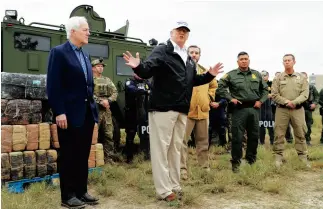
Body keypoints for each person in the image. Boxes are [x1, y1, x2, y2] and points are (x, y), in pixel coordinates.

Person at [123, 21, 223, 201]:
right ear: (172, 33)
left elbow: (193, 80)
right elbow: (147, 70)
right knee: (161, 149)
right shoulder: (163, 50)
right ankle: (164, 190)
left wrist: (210, 75)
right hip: (163, 108)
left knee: (175, 148)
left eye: (185, 31)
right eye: (179, 31)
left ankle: (175, 185)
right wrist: (138, 66)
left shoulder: (187, 57)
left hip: (181, 110)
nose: (182, 34)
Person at [46, 16, 99, 208]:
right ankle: (67, 196)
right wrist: (59, 111)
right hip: (67, 115)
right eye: (85, 29)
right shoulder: (59, 53)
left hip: (86, 114)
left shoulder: (84, 55)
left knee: (82, 154)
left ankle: (81, 191)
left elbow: (88, 86)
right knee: (69, 154)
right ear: (73, 31)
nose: (88, 33)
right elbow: (53, 85)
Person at [217, 51, 268, 173]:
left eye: (246, 59)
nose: (244, 61)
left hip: (254, 109)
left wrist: (261, 101)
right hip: (238, 110)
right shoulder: (231, 75)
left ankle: (251, 161)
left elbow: (265, 89)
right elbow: (220, 87)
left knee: (254, 136)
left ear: (249, 60)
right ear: (237, 61)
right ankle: (236, 164)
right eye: (241, 59)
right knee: (237, 138)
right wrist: (230, 98)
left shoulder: (257, 75)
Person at [180, 45, 217, 180]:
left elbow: (213, 85)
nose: (194, 55)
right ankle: (182, 170)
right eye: (191, 52)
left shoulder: (205, 71)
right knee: (182, 141)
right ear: (187, 54)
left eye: (196, 53)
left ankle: (204, 168)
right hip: (186, 112)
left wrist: (209, 97)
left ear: (199, 55)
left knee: (203, 142)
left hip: (203, 111)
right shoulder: (182, 69)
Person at [271, 54, 309, 168]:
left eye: (289, 60)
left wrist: (295, 102)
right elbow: (274, 94)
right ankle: (278, 157)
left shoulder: (301, 78)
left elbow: (305, 93)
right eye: (285, 61)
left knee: (300, 133)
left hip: (297, 109)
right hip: (282, 109)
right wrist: (287, 102)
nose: (287, 62)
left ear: (294, 62)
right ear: (283, 63)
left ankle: (303, 157)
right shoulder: (278, 78)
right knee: (279, 134)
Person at [92, 58, 118, 163]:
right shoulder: (89, 80)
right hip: (94, 111)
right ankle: (92, 160)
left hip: (106, 112)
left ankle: (109, 159)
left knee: (109, 135)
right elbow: (88, 93)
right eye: (98, 66)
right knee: (93, 136)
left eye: (102, 66)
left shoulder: (107, 80)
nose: (101, 68)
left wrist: (108, 100)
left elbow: (115, 92)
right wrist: (100, 101)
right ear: (93, 68)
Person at [124, 73, 151, 163]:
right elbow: (132, 90)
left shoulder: (146, 82)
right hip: (132, 113)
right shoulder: (129, 82)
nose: (140, 75)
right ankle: (129, 158)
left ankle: (146, 155)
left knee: (146, 135)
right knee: (131, 134)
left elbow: (153, 89)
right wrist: (145, 92)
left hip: (144, 113)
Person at [272, 72, 294, 143]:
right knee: (278, 127)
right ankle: (277, 141)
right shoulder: (273, 85)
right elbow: (274, 96)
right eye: (276, 76)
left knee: (287, 126)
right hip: (276, 108)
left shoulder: (286, 85)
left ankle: (289, 139)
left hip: (287, 106)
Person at [300, 72, 319, 146]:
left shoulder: (311, 87)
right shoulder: (297, 87)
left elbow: (317, 96)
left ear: (307, 77)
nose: (303, 78)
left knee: (308, 125)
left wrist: (314, 103)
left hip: (308, 108)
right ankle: (300, 141)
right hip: (299, 108)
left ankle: (307, 140)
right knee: (299, 126)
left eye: (304, 77)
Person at [259, 70, 274, 145]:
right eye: (262, 75)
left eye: (265, 75)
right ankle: (261, 142)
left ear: (268, 76)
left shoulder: (272, 84)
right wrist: (266, 96)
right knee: (261, 126)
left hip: (269, 107)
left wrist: (271, 95)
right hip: (261, 108)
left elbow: (275, 93)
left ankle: (272, 142)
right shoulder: (258, 84)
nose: (263, 77)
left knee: (270, 125)